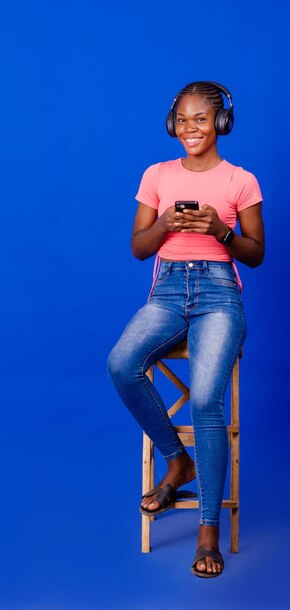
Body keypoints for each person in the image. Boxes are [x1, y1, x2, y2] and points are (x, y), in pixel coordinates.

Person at [107, 81, 265, 578]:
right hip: (169, 290)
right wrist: (168, 226)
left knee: (205, 400)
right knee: (121, 363)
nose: (190, 128)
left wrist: (221, 230)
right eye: (182, 119)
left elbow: (256, 254)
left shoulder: (242, 181)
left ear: (220, 123)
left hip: (220, 293)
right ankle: (179, 462)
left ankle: (207, 529)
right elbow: (139, 247)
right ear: (171, 124)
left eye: (201, 119)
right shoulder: (156, 174)